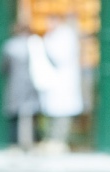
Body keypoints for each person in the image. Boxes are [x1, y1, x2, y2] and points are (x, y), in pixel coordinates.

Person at [38, 17, 83, 149]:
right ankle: (52, 140)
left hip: (63, 83)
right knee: (53, 114)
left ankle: (59, 141)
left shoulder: (65, 37)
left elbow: (60, 57)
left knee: (63, 114)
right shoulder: (53, 36)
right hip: (54, 83)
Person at [0, 23, 40, 151]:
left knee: (14, 116)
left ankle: (14, 145)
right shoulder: (34, 45)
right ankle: (32, 143)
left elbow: (3, 67)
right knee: (31, 115)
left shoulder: (10, 46)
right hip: (32, 84)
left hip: (15, 84)